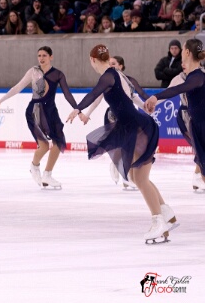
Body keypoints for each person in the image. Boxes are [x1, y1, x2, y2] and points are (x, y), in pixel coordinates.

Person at [68, 45, 175, 244]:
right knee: (136, 176)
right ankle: (166, 214)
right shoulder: (118, 74)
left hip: (136, 128)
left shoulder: (108, 76)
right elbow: (131, 95)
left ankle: (158, 221)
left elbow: (94, 94)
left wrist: (77, 108)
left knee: (140, 178)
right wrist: (144, 106)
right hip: (134, 126)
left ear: (92, 60)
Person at [0, 46, 77, 189]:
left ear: (51, 57)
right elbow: (17, 88)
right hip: (35, 111)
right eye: (39, 56)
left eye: (44, 55)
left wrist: (77, 109)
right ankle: (34, 167)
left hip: (51, 111)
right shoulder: (33, 71)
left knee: (59, 142)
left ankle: (47, 174)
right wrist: (0, 101)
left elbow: (67, 94)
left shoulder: (58, 74)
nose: (41, 58)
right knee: (44, 146)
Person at [145, 38, 205, 192]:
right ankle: (198, 176)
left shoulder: (197, 76)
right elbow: (173, 89)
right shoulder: (189, 76)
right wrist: (155, 100)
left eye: (183, 49)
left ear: (187, 52)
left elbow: (179, 89)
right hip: (195, 122)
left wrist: (155, 97)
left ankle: (198, 175)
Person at [81, 55, 148, 190]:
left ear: (120, 66)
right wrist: (87, 114)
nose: (110, 66)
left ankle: (121, 170)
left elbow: (134, 96)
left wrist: (145, 106)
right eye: (109, 63)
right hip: (114, 116)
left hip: (129, 115)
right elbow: (97, 98)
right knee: (126, 145)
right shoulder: (108, 79)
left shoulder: (128, 80)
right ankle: (124, 173)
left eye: (113, 64)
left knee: (131, 145)